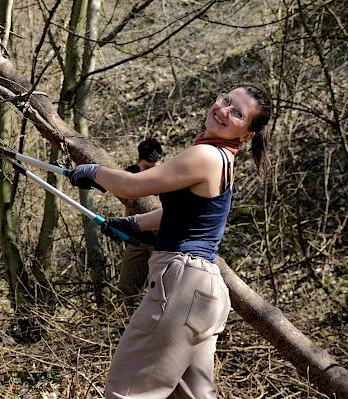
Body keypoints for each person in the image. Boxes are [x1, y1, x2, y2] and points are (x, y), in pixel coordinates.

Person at [68, 84, 271, 398]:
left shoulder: (205, 155)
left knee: (127, 392)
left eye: (237, 113)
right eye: (226, 100)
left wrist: (94, 171)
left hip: (181, 287)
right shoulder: (223, 161)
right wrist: (133, 224)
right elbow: (183, 215)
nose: (223, 110)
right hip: (204, 294)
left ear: (246, 134)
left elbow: (134, 186)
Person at [118, 138, 163, 307]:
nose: (150, 172)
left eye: (155, 168)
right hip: (138, 240)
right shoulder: (129, 175)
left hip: (163, 243)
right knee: (126, 292)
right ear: (138, 163)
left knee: (160, 292)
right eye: (146, 168)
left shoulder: (173, 177)